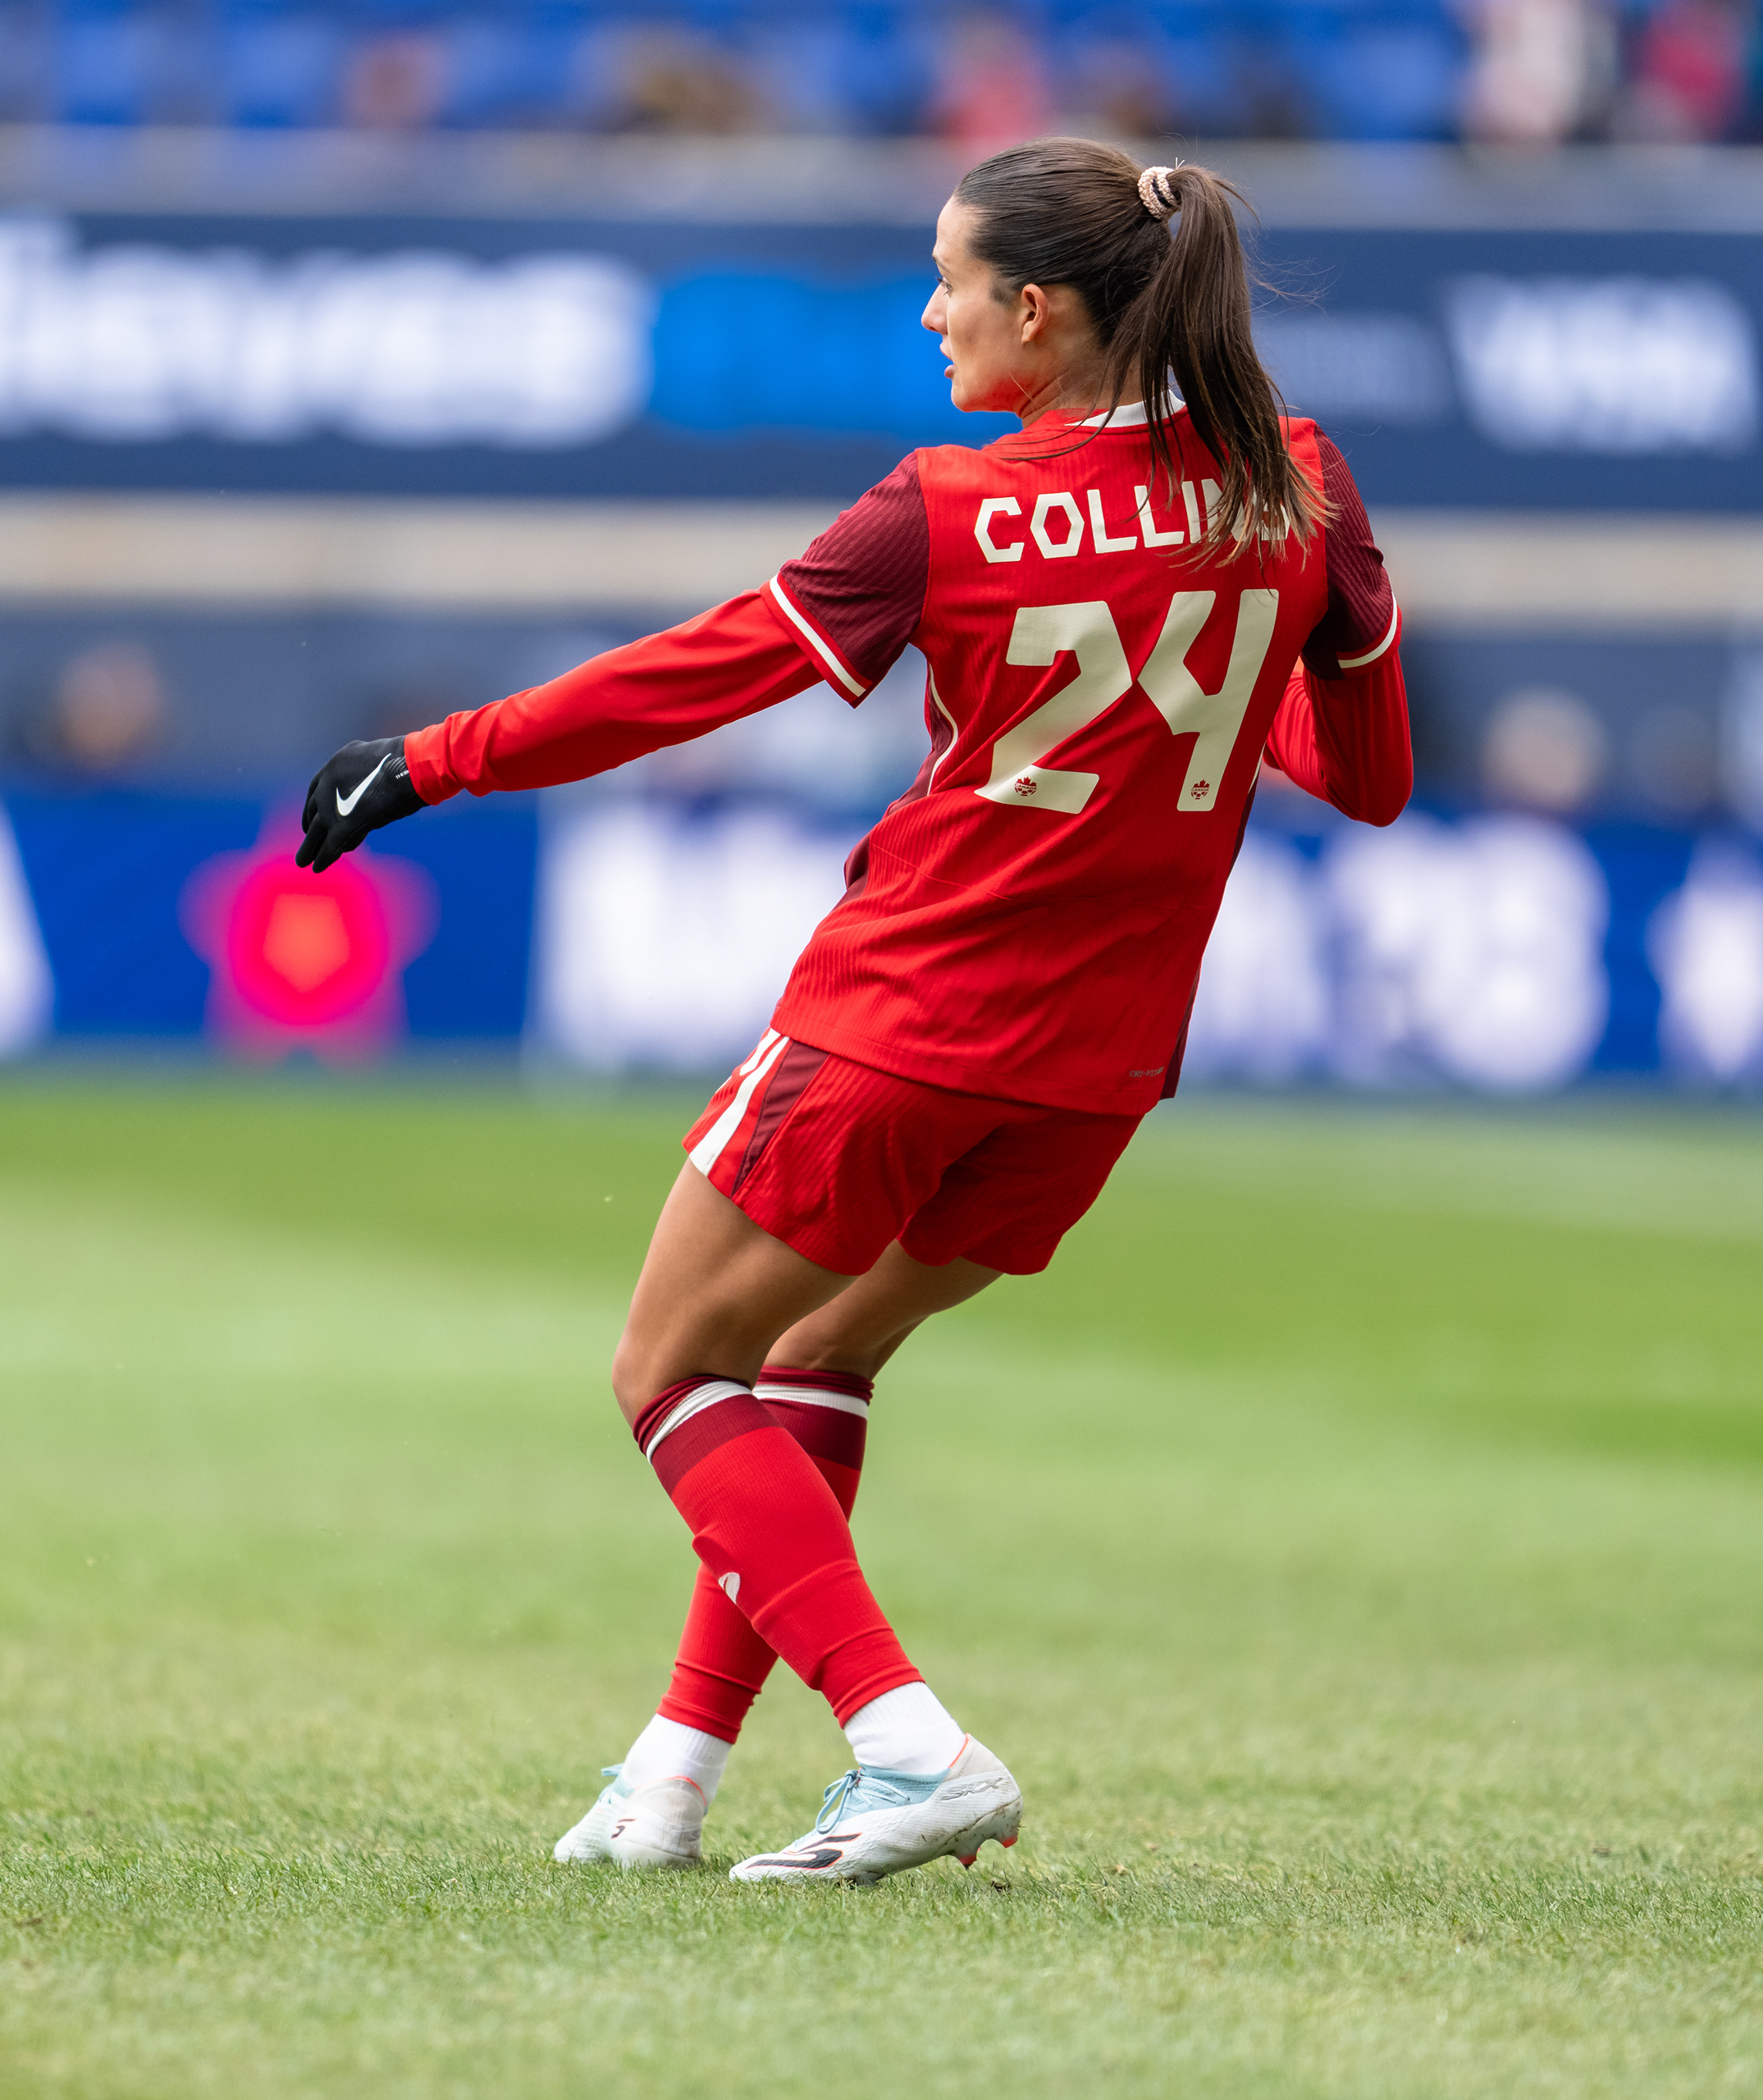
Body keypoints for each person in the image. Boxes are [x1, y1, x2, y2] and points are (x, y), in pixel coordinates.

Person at [296, 138, 1412, 1888]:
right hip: (1097, 1070)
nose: (930, 312)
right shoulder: (1299, 481)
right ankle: (670, 1777)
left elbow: (702, 672)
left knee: (670, 1369)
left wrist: (436, 757)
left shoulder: (949, 506)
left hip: (902, 1015)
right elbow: (1371, 773)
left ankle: (909, 1744)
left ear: (1036, 312)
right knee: (814, 1359)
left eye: (952, 283)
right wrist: (1206, 683)